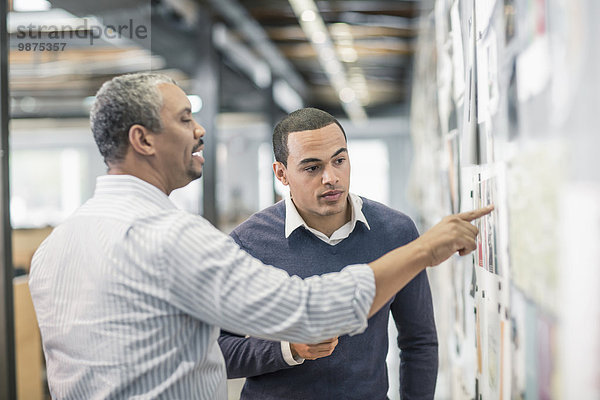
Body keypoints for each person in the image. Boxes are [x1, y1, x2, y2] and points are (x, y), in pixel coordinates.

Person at [28, 73, 492, 400]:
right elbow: (310, 310)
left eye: (340, 159)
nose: (201, 129)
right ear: (143, 141)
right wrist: (423, 250)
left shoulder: (54, 249)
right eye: (185, 117)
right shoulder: (176, 238)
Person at [218, 108, 437, 399]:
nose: (331, 177)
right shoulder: (247, 243)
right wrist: (288, 350)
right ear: (281, 173)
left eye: (339, 160)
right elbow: (215, 352)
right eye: (312, 168)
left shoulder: (395, 232)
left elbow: (419, 341)